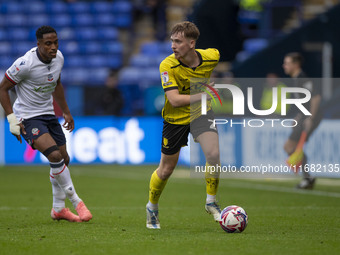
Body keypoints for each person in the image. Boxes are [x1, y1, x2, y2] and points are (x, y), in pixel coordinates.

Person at [0, 26, 92, 222]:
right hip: (27, 117)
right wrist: (11, 120)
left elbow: (56, 84)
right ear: (38, 44)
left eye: (56, 42)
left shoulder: (59, 58)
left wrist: (66, 111)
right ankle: (77, 201)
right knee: (55, 155)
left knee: (63, 159)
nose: (53, 47)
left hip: (48, 114)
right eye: (48, 43)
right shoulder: (25, 64)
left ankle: (58, 209)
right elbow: (3, 89)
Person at [146, 21, 221, 229]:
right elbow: (175, 100)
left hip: (201, 113)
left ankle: (211, 201)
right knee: (166, 169)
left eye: (178, 41)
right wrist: (204, 93)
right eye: (172, 41)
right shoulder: (167, 65)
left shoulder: (211, 56)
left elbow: (214, 63)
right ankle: (152, 206)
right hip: (175, 119)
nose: (173, 45)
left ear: (191, 43)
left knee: (213, 155)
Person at [282, 52, 322, 189]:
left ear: (295, 64)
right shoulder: (296, 79)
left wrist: (310, 117)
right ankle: (307, 177)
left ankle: (307, 178)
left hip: (311, 117)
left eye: (287, 63)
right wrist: (299, 116)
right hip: (304, 116)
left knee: (290, 147)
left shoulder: (303, 79)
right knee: (291, 147)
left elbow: (316, 97)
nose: (284, 66)